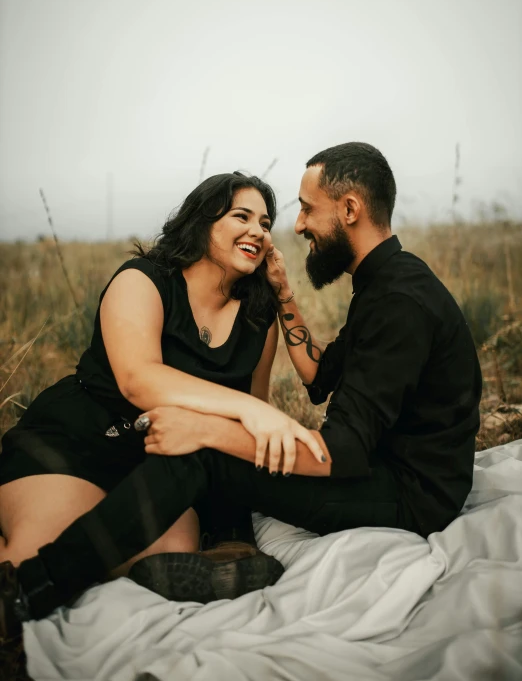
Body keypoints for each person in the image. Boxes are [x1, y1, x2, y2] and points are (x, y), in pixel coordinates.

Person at [1, 143, 482, 677]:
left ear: (349, 210)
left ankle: (33, 588)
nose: (294, 228)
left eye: (303, 210)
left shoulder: (400, 300)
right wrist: (283, 295)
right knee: (203, 457)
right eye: (254, 216)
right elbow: (321, 379)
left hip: (404, 493)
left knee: (205, 455)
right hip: (85, 439)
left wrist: (209, 429)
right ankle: (58, 578)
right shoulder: (383, 284)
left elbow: (343, 450)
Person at [0, 171, 326, 679]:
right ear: (202, 221)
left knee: (175, 549)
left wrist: (251, 423)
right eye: (241, 216)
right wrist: (251, 411)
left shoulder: (257, 316)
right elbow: (138, 380)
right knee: (34, 552)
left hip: (162, 463)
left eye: (266, 222)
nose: (259, 231)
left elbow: (252, 407)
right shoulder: (143, 280)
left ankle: (105, 559)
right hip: (81, 441)